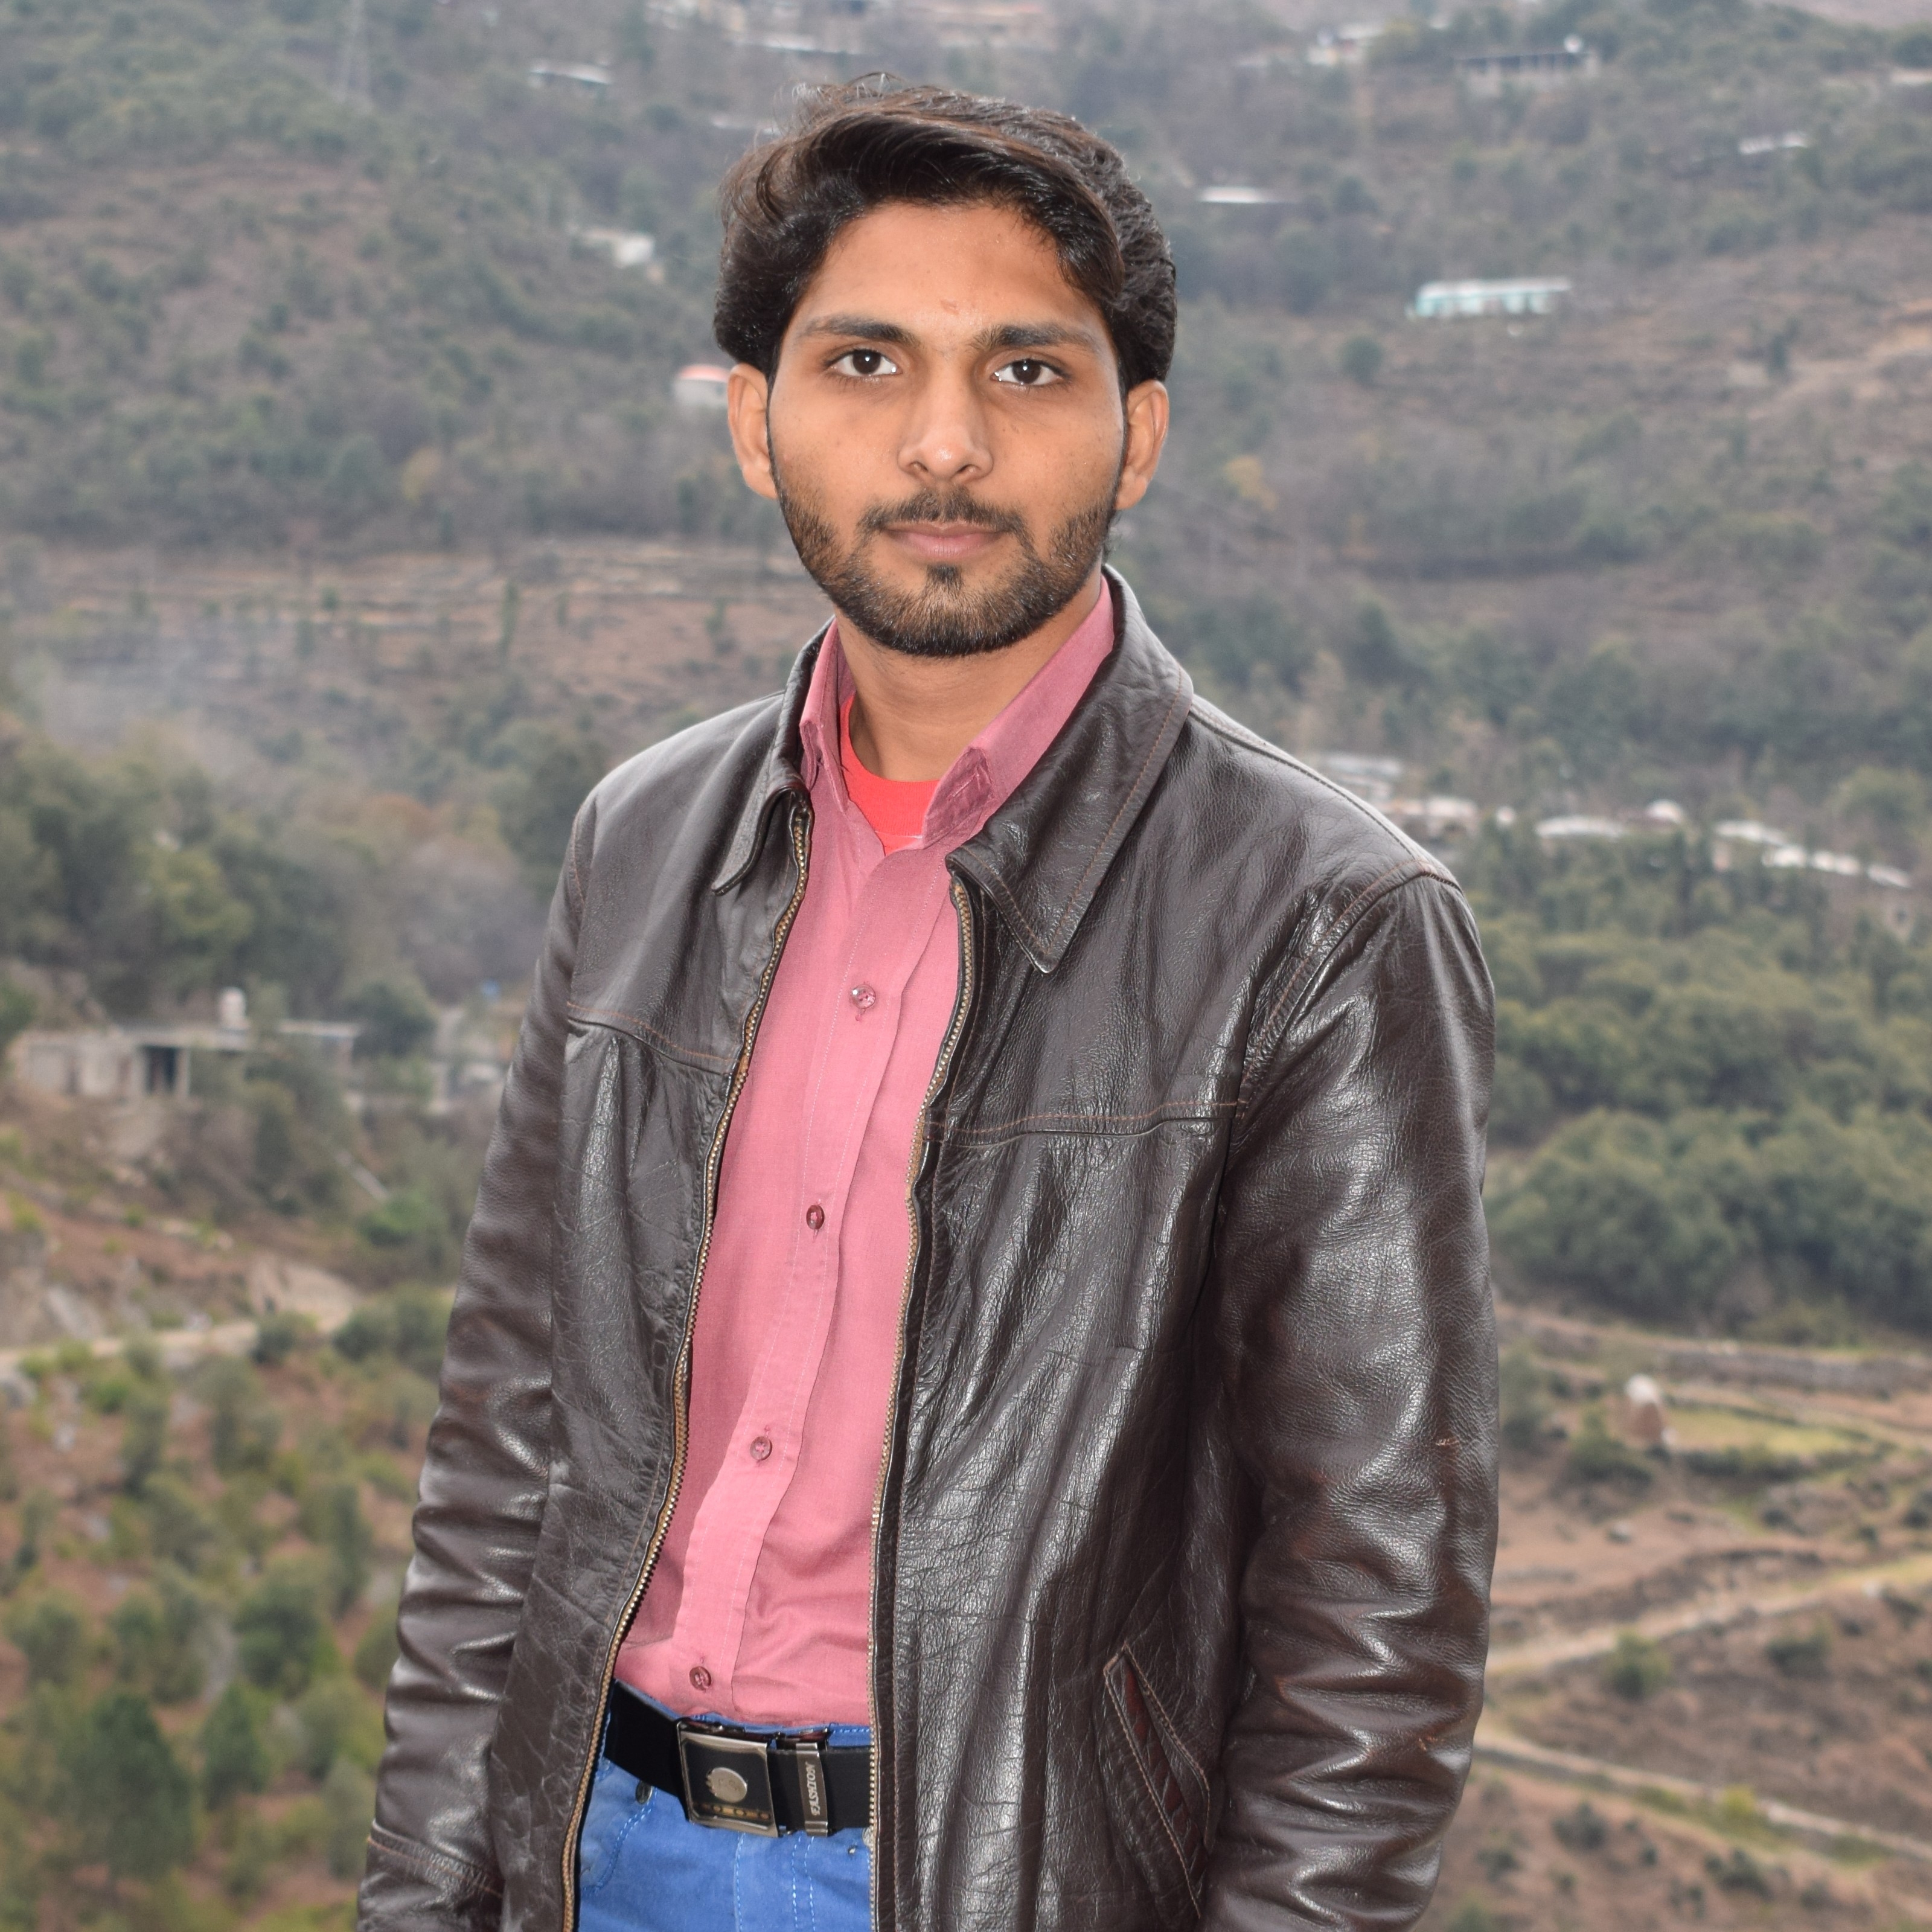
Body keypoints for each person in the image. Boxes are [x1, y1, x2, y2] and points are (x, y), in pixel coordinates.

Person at [357, 80, 1497, 1932]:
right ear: (757, 422)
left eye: (1026, 371)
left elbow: (1377, 1610)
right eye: (867, 363)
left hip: (995, 1876)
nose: (946, 443)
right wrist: (424, 1897)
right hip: (586, 1851)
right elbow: (508, 1455)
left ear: (1137, 436)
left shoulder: (1326, 923)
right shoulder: (640, 843)